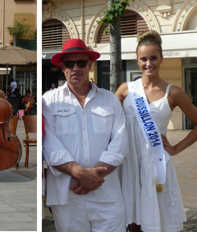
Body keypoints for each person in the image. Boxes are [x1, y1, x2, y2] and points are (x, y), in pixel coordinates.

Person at [116, 31, 197, 232]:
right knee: (132, 223)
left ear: (161, 58)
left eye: (153, 58)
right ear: (137, 60)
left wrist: (177, 148)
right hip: (129, 165)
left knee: (157, 222)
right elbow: (109, 124)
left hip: (156, 167)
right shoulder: (125, 90)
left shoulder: (174, 92)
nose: (148, 63)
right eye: (143, 59)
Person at [43, 38, 127, 231]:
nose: (75, 68)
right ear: (62, 66)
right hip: (67, 194)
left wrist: (93, 178)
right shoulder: (48, 102)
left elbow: (120, 142)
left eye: (81, 63)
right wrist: (80, 174)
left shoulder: (110, 101)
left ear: (90, 64)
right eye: (69, 64)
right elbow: (50, 145)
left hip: (106, 192)